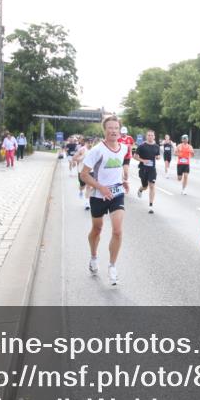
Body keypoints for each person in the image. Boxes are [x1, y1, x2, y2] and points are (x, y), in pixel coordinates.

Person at [80, 116, 131, 285]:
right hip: (98, 195)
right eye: (110, 128)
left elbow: (117, 169)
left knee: (117, 231)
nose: (113, 131)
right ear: (105, 130)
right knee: (97, 228)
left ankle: (112, 266)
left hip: (117, 193)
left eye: (116, 128)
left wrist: (123, 181)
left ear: (120, 130)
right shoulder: (97, 150)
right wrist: (100, 187)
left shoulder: (123, 148)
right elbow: (84, 174)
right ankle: (94, 257)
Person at [135, 129, 160, 213]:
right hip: (143, 169)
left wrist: (158, 157)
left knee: (152, 186)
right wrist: (143, 160)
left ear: (154, 136)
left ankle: (151, 205)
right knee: (145, 186)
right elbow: (135, 156)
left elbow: (158, 155)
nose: (150, 137)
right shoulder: (142, 146)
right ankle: (140, 189)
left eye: (152, 135)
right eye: (149, 135)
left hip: (152, 169)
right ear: (146, 136)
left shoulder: (156, 146)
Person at [72, 138, 92, 207]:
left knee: (89, 186)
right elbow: (74, 158)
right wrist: (82, 157)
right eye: (89, 142)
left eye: (92, 142)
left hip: (90, 171)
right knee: (82, 186)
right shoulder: (82, 150)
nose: (90, 143)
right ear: (86, 142)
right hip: (82, 171)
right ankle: (80, 191)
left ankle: (87, 202)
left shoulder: (94, 150)